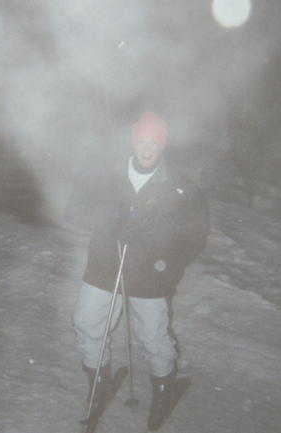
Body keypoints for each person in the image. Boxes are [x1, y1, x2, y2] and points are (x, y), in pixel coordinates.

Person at [69, 111, 209, 431]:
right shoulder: (107, 174)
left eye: (153, 143)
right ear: (133, 143)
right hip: (105, 264)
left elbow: (195, 237)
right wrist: (108, 221)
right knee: (87, 322)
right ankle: (98, 382)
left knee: (154, 335)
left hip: (151, 274)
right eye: (142, 141)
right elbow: (75, 208)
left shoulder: (179, 187)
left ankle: (163, 390)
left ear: (162, 145)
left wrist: (166, 264)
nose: (147, 148)